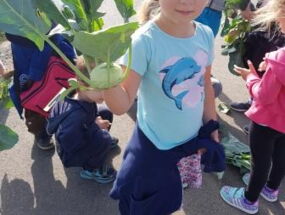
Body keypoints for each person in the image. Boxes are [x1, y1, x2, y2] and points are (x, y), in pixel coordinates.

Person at [102, 0, 225, 214]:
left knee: (171, 194)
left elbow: (205, 86)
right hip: (154, 145)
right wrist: (105, 79)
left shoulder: (204, 33)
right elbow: (121, 105)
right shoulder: (143, 41)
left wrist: (211, 124)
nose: (186, 2)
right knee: (145, 203)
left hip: (189, 141)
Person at [220, 0, 285, 214]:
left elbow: (263, 96)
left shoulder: (280, 58)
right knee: (282, 156)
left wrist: (251, 78)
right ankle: (272, 189)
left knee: (260, 161)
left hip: (267, 120)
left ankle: (249, 201)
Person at [46, 56, 118, 184]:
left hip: (82, 130)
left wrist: (95, 120)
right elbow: (70, 143)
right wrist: (96, 128)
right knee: (103, 138)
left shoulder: (82, 96)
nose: (106, 94)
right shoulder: (75, 116)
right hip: (71, 152)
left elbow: (90, 113)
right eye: (100, 90)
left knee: (105, 111)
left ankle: (99, 145)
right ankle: (91, 169)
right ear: (82, 84)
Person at [6, 33, 76, 150]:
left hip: (51, 37)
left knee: (62, 84)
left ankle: (69, 126)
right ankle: (41, 131)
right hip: (24, 43)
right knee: (33, 93)